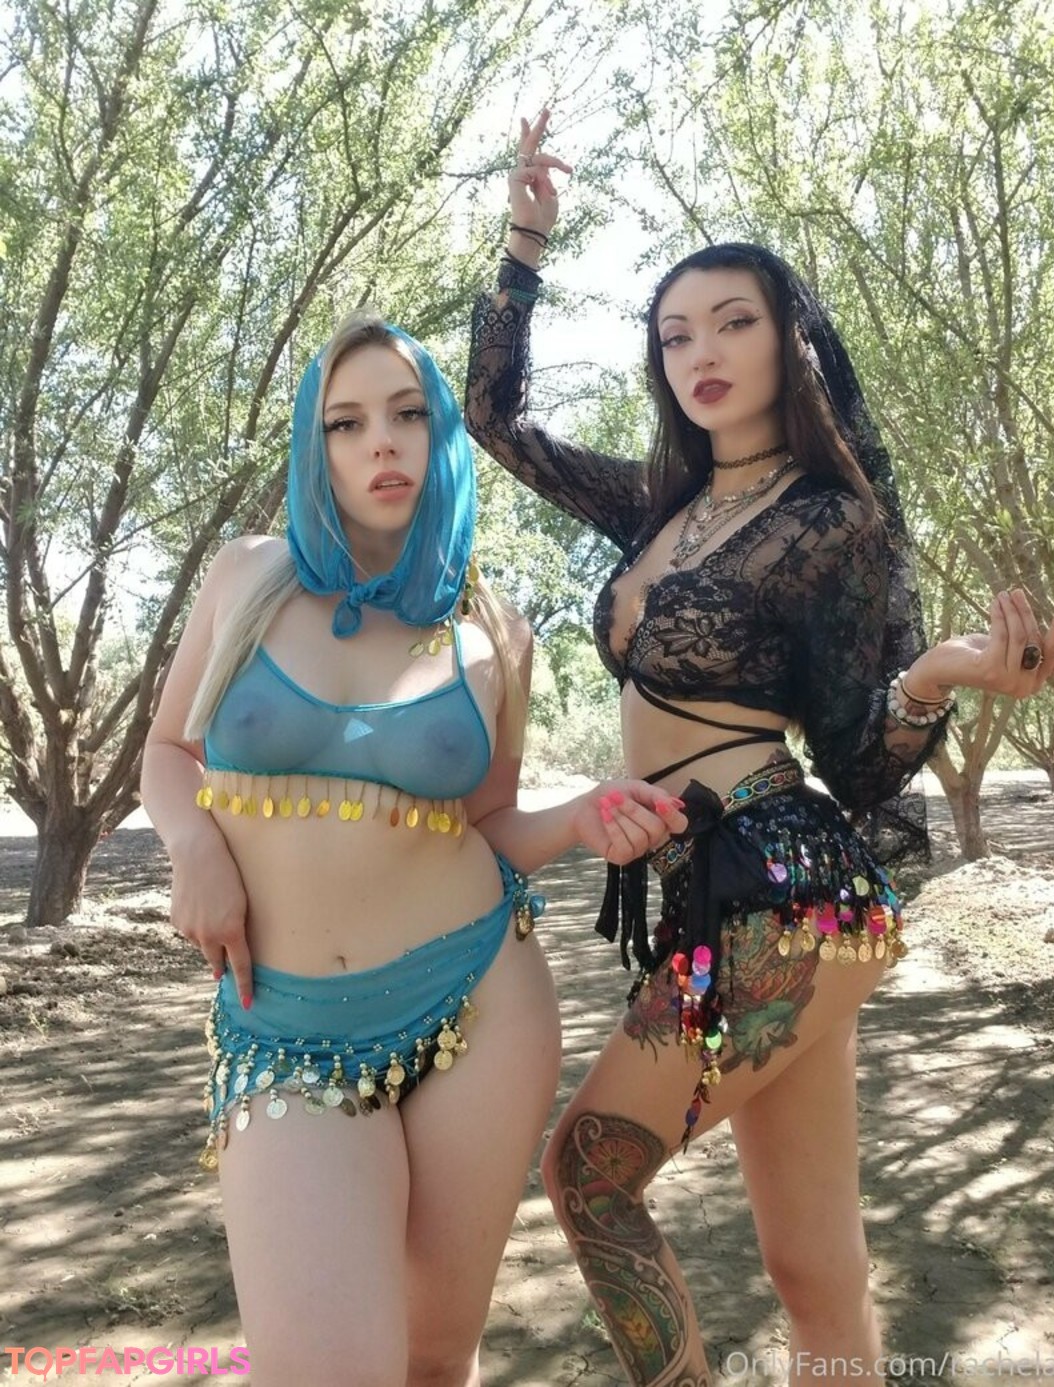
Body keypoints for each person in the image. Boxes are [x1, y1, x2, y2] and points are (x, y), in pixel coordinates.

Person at [463, 111, 1054, 1386]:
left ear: (790, 339)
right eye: (675, 334)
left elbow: (859, 763)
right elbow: (493, 419)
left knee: (590, 1175)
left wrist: (940, 675)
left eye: (733, 322)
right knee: (814, 1269)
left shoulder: (831, 519)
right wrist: (525, 246)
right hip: (707, 892)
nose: (702, 351)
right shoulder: (661, 504)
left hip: (788, 887)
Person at [140, 311, 686, 1387]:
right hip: (284, 1028)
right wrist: (192, 845)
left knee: (434, 1358)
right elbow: (166, 749)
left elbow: (485, 825)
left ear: (440, 434)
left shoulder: (494, 629)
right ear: (316, 447)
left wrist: (579, 818)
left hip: (478, 1006)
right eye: (345, 423)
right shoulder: (246, 577)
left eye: (407, 414)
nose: (380, 442)